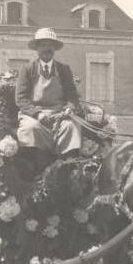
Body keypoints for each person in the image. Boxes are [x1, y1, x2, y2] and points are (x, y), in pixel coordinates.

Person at [15, 27, 82, 168]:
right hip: (34, 114)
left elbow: (72, 96)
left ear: (55, 48)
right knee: (32, 128)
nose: (47, 49)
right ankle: (37, 168)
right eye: (43, 45)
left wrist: (70, 108)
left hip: (58, 114)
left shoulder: (64, 69)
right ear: (37, 48)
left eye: (50, 45)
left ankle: (66, 167)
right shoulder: (28, 69)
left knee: (71, 127)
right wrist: (36, 114)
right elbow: (21, 98)